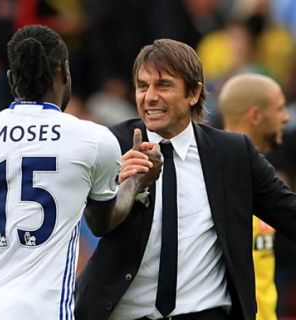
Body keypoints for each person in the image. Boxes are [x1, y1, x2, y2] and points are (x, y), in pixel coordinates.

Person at [0, 24, 162, 320]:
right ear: (64, 72)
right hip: (48, 312)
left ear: (11, 80)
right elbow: (102, 223)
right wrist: (134, 183)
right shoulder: (93, 140)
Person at [75, 38, 296, 320]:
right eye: (142, 86)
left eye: (163, 85)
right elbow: (95, 224)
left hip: (206, 313)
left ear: (193, 93)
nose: (150, 96)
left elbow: (289, 212)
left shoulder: (233, 153)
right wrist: (126, 186)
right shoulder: (109, 145)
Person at [218, 73, 290, 320]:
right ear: (256, 115)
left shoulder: (264, 185)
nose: (286, 117)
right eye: (280, 108)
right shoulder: (215, 180)